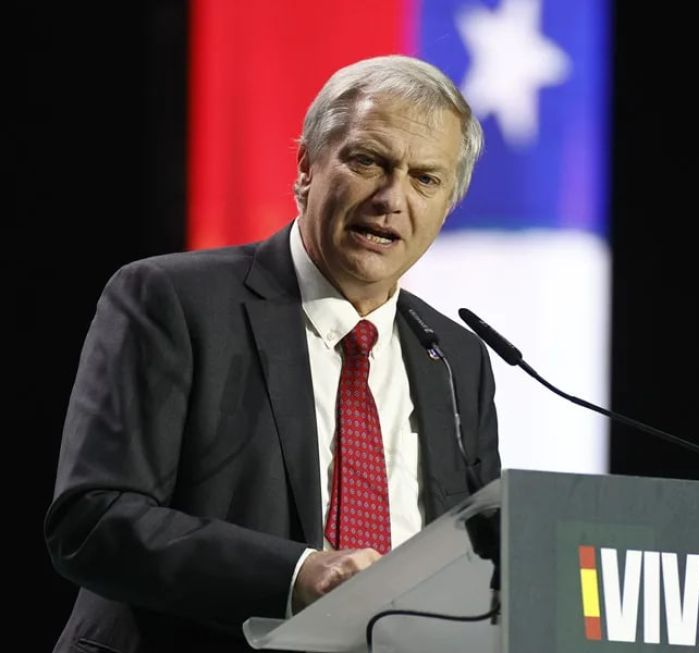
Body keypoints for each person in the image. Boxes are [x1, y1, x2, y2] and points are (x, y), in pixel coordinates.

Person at [45, 55, 501, 653]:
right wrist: (299, 575)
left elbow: (481, 559)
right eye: (368, 161)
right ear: (308, 166)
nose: (392, 198)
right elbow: (93, 521)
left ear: (447, 207)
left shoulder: (456, 357)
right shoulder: (173, 301)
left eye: (425, 178)